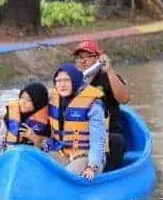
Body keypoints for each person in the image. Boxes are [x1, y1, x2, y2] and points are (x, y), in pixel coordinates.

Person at [73, 40, 130, 171]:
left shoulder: (107, 77)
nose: (83, 61)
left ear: (98, 58)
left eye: (89, 57)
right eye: (80, 57)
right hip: (81, 135)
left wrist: (109, 70)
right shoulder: (71, 80)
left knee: (116, 141)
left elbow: (124, 99)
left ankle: (103, 174)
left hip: (108, 134)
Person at [43, 63, 107, 180]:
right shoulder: (52, 98)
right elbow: (31, 104)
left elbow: (98, 140)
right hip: (61, 153)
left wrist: (91, 166)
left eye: (67, 80)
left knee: (65, 178)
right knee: (35, 165)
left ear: (75, 80)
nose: (62, 85)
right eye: (59, 81)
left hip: (85, 157)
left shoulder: (93, 105)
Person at [0, 82, 51, 167]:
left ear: (38, 101)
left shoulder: (49, 119)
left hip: (33, 161)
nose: (23, 102)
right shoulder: (7, 114)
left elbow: (50, 149)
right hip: (11, 159)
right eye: (22, 98)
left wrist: (35, 139)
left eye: (28, 100)